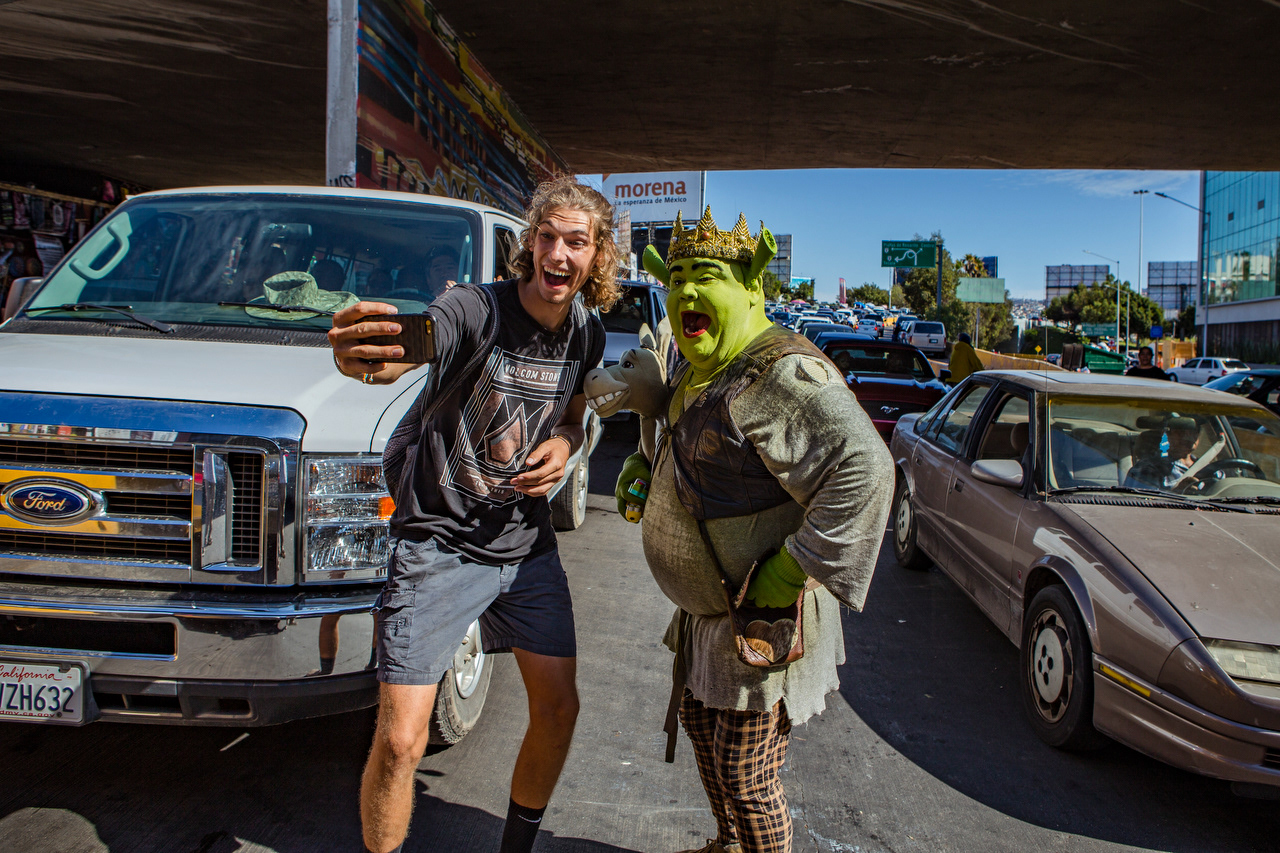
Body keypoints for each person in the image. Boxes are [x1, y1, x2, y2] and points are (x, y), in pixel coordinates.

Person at [328, 176, 616, 853]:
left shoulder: (586, 333)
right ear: (530, 244)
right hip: (437, 544)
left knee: (558, 707)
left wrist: (568, 445)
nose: (558, 251)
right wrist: (366, 353)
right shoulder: (476, 309)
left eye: (576, 241)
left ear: (596, 256)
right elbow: (422, 336)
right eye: (547, 236)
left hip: (524, 547)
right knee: (402, 740)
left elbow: (576, 414)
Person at [615, 207, 893, 853]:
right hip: (708, 615)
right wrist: (643, 464)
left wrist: (790, 567)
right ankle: (729, 844)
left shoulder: (783, 374)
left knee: (746, 768)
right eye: (675, 276)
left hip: (759, 618)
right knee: (695, 721)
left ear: (751, 287)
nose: (683, 291)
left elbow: (869, 469)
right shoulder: (697, 362)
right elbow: (694, 443)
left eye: (703, 275)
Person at [1125, 417, 1202, 490]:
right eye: (1181, 432)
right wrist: (1178, 493)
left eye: (1194, 431)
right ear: (1167, 435)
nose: (1188, 436)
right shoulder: (1148, 468)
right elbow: (1142, 501)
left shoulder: (1206, 465)